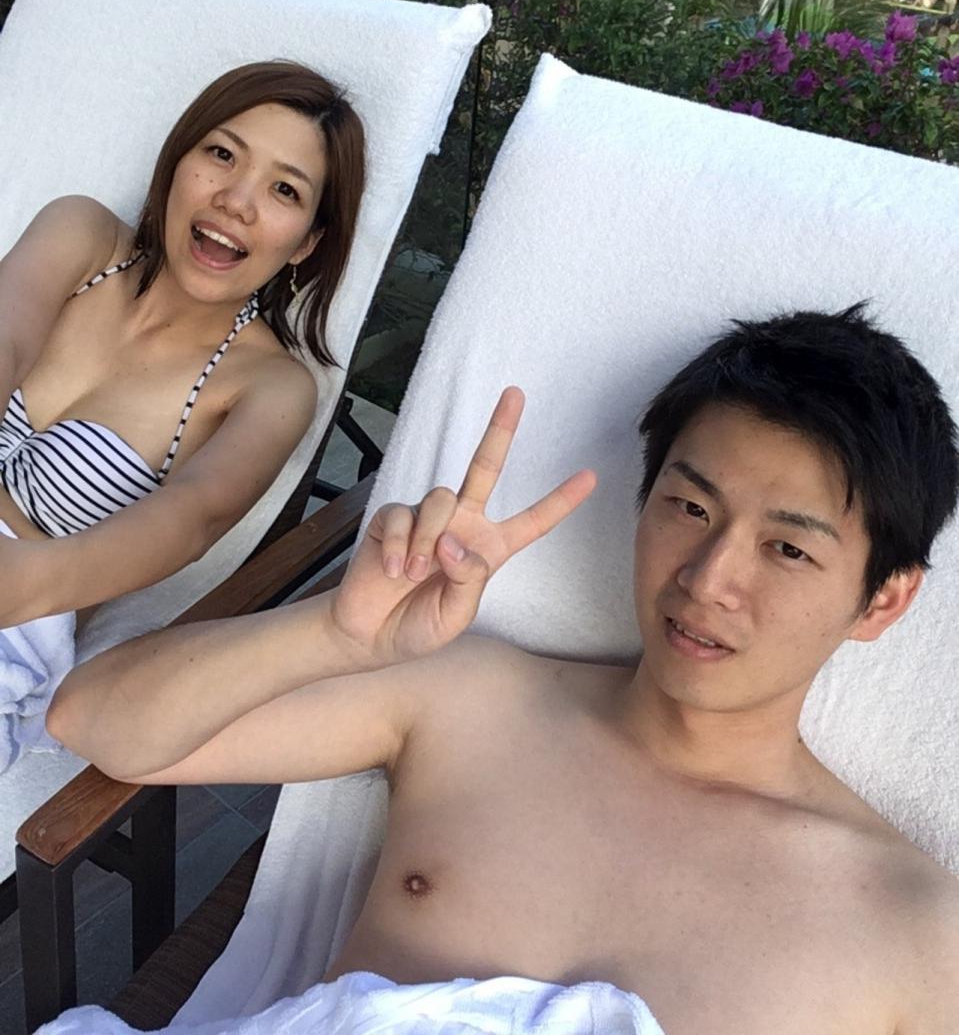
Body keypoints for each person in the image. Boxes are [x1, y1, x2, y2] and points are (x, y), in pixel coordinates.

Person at [48, 305, 959, 1034]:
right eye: (688, 506)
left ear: (882, 601)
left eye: (787, 549)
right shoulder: (470, 699)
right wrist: (333, 635)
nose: (706, 578)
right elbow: (94, 721)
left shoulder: (912, 931)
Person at [0, 59, 364, 769]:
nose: (236, 200)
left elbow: (191, 518)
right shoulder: (80, 233)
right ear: (177, 161)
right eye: (222, 154)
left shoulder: (271, 388)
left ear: (307, 241)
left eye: (284, 189)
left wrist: (24, 584)